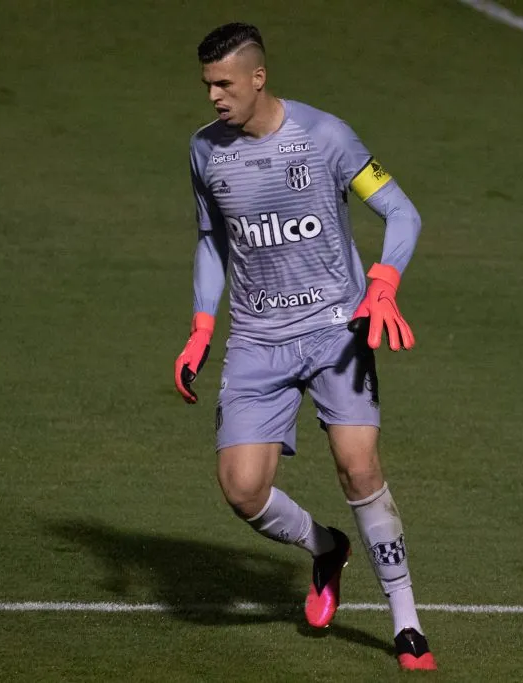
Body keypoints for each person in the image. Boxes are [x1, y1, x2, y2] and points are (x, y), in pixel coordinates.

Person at [174, 22, 436, 672]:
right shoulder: (206, 151)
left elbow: (402, 212)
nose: (213, 97)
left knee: (359, 466)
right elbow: (212, 240)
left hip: (335, 331)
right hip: (257, 340)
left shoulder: (325, 137)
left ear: (258, 77)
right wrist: (203, 326)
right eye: (207, 84)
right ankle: (326, 548)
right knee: (241, 490)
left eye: (224, 83)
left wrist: (383, 284)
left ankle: (406, 621)